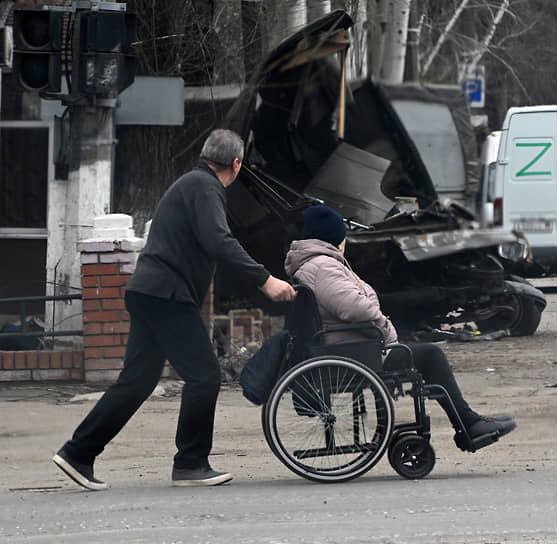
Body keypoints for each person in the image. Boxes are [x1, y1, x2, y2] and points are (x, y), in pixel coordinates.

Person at [53, 129, 296, 491]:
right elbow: (218, 240)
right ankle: (191, 463)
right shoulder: (205, 187)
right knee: (205, 376)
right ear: (236, 164)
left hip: (151, 292)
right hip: (167, 296)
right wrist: (265, 280)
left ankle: (77, 453)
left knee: (137, 382)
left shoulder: (193, 184)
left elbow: (207, 242)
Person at [284, 206, 516, 448]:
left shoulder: (317, 265)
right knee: (431, 355)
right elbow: (355, 309)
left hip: (349, 346)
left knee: (424, 353)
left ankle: (469, 424)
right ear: (333, 237)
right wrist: (385, 329)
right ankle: (469, 424)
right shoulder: (323, 266)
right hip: (353, 352)